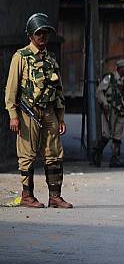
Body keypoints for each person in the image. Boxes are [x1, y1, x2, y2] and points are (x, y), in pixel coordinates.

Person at [4, 13, 73, 209]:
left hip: (49, 112)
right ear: (30, 35)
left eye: (46, 33)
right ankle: (27, 196)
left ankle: (55, 197)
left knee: (54, 154)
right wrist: (13, 115)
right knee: (27, 155)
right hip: (28, 112)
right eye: (39, 33)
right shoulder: (21, 57)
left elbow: (58, 90)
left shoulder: (51, 58)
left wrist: (60, 117)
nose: (43, 37)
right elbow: (11, 89)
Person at [92, 59, 124, 167]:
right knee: (107, 134)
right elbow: (99, 92)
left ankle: (115, 159)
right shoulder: (109, 78)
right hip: (110, 110)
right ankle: (96, 155)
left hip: (120, 111)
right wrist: (104, 103)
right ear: (120, 68)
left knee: (117, 136)